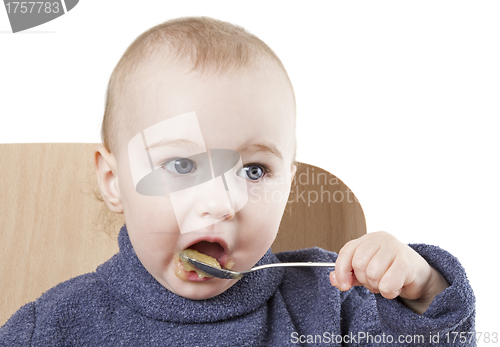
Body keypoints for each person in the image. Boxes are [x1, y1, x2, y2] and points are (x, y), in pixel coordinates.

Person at [0, 16, 475, 346]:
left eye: (254, 171)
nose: (221, 202)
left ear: (288, 185)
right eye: (182, 166)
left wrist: (423, 287)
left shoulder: (333, 300)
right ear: (114, 181)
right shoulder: (52, 328)